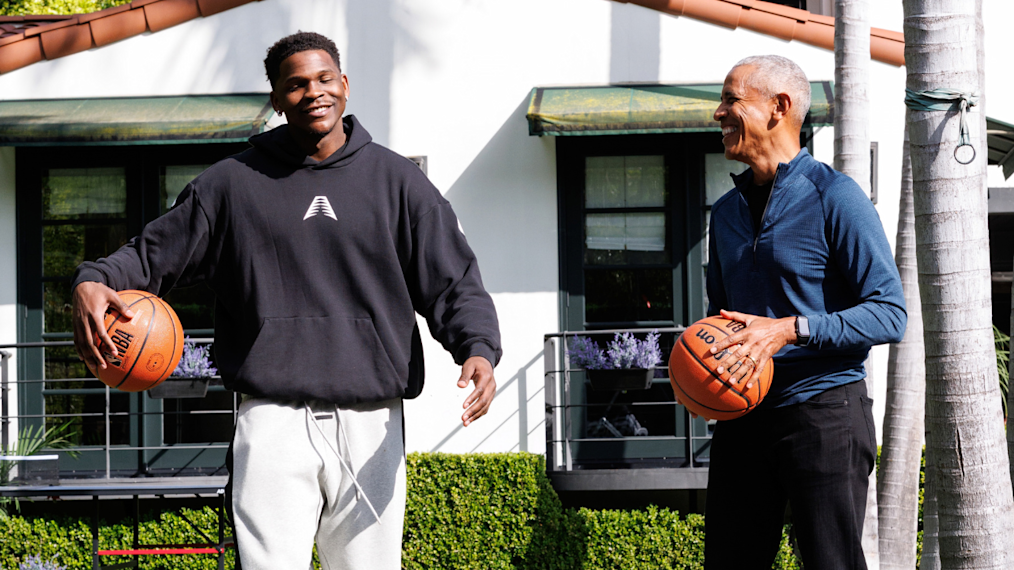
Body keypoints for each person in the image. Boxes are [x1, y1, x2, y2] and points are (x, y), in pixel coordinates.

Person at [71, 31, 501, 570]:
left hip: (370, 417)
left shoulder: (398, 182)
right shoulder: (229, 185)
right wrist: (93, 279)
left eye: (325, 79)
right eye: (296, 84)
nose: (314, 92)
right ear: (276, 98)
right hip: (270, 418)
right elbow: (150, 255)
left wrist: (477, 348)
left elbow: (454, 280)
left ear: (345, 85)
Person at [698, 55, 906, 569]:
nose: (718, 113)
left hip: (825, 412)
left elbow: (889, 312)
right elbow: (719, 316)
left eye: (731, 100)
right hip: (743, 416)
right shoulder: (724, 214)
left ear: (779, 107)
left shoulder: (836, 197)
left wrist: (791, 329)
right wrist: (702, 371)